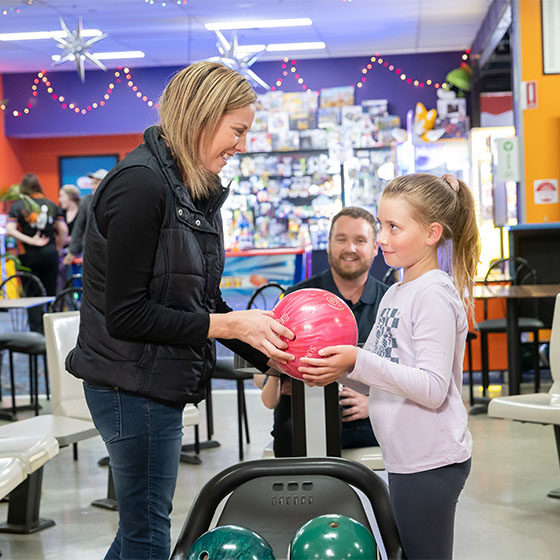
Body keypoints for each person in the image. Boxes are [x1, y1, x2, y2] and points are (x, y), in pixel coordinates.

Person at [65, 62, 294, 560]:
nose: (243, 144)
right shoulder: (140, 186)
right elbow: (125, 315)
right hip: (129, 383)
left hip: (154, 378)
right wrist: (232, 325)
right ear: (201, 117)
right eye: (238, 130)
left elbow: (203, 302)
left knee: (137, 529)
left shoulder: (190, 189)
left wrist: (270, 356)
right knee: (148, 532)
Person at [299, 173, 480, 560]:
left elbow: (432, 388)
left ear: (432, 233)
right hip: (405, 457)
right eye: (382, 225)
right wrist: (338, 366)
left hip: (432, 461)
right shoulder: (398, 291)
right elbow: (388, 371)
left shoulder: (433, 294)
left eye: (394, 227)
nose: (381, 238)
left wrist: (357, 359)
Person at [256, 207, 388, 456]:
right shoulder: (296, 299)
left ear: (374, 248)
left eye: (360, 240)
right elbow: (268, 383)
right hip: (302, 420)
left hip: (368, 422)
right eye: (341, 239)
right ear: (328, 245)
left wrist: (375, 404)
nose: (350, 248)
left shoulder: (391, 302)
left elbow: (407, 373)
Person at [6, 173, 67, 330]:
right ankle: (53, 333)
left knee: (32, 296)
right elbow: (63, 229)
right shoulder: (51, 204)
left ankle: (37, 334)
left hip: (28, 257)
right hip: (50, 254)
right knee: (51, 294)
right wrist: (59, 247)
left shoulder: (18, 206)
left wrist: (31, 240)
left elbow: (10, 229)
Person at [62, 168, 107, 266]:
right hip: (89, 250)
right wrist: (72, 251)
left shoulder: (112, 201)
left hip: (107, 250)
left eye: (97, 183)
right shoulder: (87, 200)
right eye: (93, 183)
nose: (93, 186)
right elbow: (79, 227)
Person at [58, 184, 81, 291]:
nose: (59, 199)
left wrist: (74, 239)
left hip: (80, 254)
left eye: (62, 196)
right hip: (63, 254)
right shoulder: (60, 213)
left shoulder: (82, 211)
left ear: (70, 197)